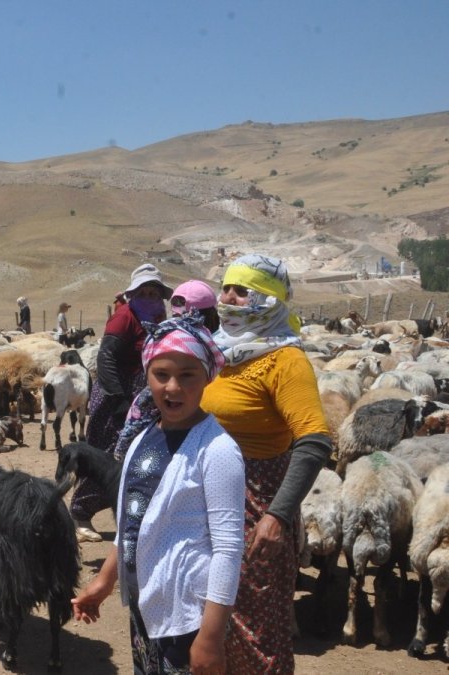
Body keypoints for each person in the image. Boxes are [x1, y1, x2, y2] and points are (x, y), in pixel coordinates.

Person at [72, 314, 244, 674]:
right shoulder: (141, 438)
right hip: (146, 603)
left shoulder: (217, 450)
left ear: (206, 378)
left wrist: (210, 638)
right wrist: (104, 582)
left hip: (187, 614)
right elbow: (134, 523)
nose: (172, 388)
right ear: (147, 375)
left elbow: (228, 549)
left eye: (187, 376)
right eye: (161, 375)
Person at [201, 254, 332, 674]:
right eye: (226, 288)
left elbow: (314, 441)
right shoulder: (218, 351)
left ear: (270, 300)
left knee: (255, 625)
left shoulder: (284, 360)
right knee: (210, 620)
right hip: (205, 496)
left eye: (243, 291)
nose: (229, 298)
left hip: (256, 501)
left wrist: (277, 515)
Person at [71, 263, 172, 542]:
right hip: (118, 398)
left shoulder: (157, 317)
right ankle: (80, 511)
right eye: (144, 291)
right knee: (110, 455)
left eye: (155, 292)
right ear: (133, 293)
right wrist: (120, 402)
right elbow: (107, 359)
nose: (150, 297)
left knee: (138, 456)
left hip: (141, 398)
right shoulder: (124, 317)